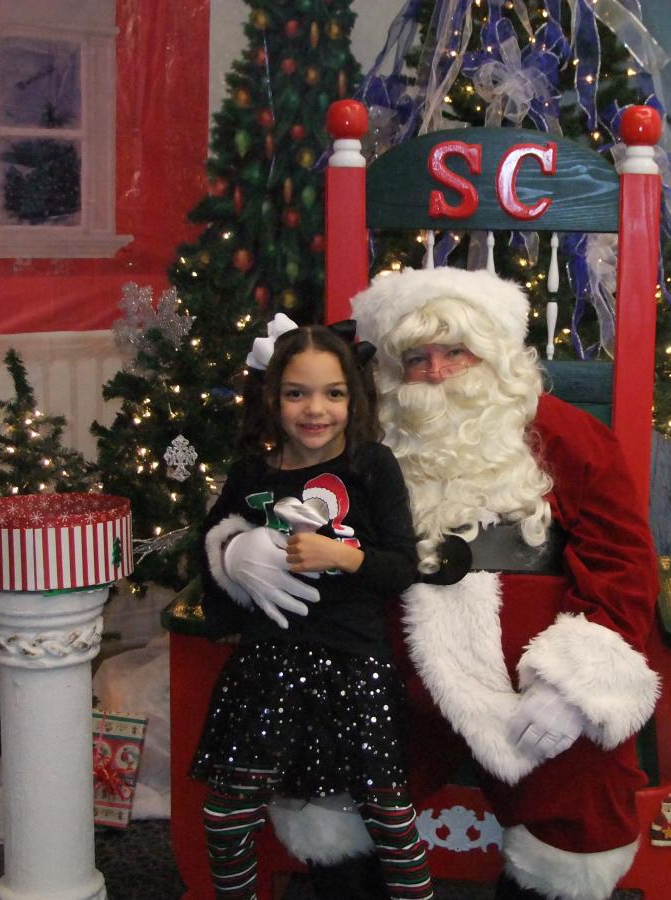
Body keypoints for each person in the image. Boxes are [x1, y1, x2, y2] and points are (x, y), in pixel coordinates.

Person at [269, 268, 662, 900]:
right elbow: (273, 502)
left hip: (524, 670)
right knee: (330, 769)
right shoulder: (357, 435)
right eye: (416, 358)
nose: (436, 373)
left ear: (494, 356)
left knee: (580, 788)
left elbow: (622, 564)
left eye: (456, 352)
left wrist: (575, 682)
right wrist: (243, 551)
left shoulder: (566, 434)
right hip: (383, 659)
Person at [193, 317, 434, 900]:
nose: (315, 410)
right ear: (273, 399)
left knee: (391, 821)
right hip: (269, 667)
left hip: (356, 666)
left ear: (353, 398)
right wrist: (233, 557)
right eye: (297, 393)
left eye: (333, 393)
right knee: (225, 817)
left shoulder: (372, 465)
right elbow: (209, 557)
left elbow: (402, 566)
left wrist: (341, 555)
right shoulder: (252, 473)